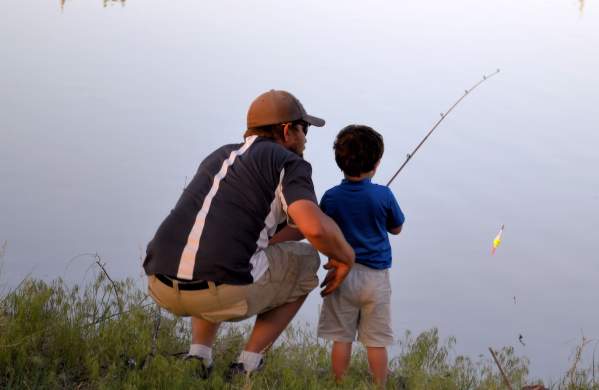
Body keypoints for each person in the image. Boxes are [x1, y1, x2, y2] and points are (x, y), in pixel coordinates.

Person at [143, 90, 355, 379]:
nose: (306, 137)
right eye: (303, 128)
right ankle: (248, 364)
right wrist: (345, 257)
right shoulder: (289, 163)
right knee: (307, 260)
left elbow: (279, 228)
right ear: (286, 130)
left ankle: (198, 356)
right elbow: (314, 227)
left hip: (160, 283)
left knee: (208, 248)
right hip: (220, 293)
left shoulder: (219, 156)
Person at [317, 125, 405, 386]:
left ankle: (339, 382)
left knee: (341, 337)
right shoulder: (383, 194)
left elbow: (324, 229)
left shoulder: (331, 197)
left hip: (341, 275)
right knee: (376, 340)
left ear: (339, 162)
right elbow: (396, 228)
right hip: (375, 279)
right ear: (376, 164)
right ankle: (380, 383)